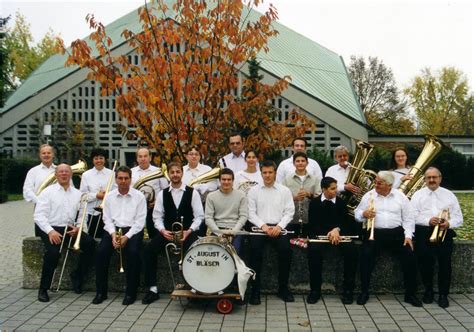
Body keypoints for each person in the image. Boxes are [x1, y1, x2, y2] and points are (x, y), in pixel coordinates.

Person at [354, 171, 421, 307]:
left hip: (396, 233)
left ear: (389, 185)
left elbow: (408, 218)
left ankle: (410, 294)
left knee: (410, 256)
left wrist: (408, 236)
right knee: (366, 257)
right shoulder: (369, 195)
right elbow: (357, 213)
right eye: (376, 181)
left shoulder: (400, 197)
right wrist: (364, 213)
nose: (376, 184)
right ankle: (364, 292)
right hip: (375, 232)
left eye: (379, 183)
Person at [142, 161, 204, 304]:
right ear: (168, 175)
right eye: (172, 172)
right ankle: (152, 289)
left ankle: (195, 288)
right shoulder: (162, 194)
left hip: (187, 232)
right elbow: (157, 217)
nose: (175, 175)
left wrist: (189, 231)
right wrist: (163, 231)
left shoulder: (192, 192)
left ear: (182, 173)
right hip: (168, 233)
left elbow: (199, 216)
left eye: (178, 172)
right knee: (148, 250)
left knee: (196, 252)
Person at [35, 164, 95, 302]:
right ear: (56, 175)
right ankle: (43, 288)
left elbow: (82, 215)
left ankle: (78, 276)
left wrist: (78, 229)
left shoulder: (78, 194)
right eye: (61, 172)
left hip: (69, 229)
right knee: (53, 253)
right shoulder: (47, 192)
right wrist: (50, 231)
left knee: (91, 245)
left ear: (70, 174)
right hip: (50, 227)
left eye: (66, 172)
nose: (64, 174)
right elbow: (39, 216)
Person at [92, 166, 146, 306]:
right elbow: (107, 219)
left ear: (130, 179)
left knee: (133, 253)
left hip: (132, 230)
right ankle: (101, 292)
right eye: (120, 178)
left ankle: (131, 293)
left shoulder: (139, 196)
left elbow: (140, 222)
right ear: (116, 179)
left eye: (126, 178)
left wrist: (126, 237)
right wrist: (112, 234)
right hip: (113, 230)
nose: (123, 181)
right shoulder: (109, 196)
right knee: (101, 252)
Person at [411, 167, 463, 308]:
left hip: (444, 232)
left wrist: (449, 223)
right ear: (425, 179)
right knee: (425, 263)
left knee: (445, 265)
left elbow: (459, 218)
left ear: (440, 178)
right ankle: (428, 291)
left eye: (435, 177)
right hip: (424, 232)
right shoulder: (418, 195)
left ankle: (443, 295)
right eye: (429, 178)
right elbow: (412, 216)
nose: (432, 180)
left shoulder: (449, 195)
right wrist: (428, 220)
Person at [247, 160, 295, 305]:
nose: (267, 175)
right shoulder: (253, 191)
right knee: (254, 252)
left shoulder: (284, 190)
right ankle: (255, 291)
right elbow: (250, 213)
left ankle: (283, 288)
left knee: (286, 251)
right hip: (260, 228)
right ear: (261, 173)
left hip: (278, 228)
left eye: (270, 172)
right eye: (264, 172)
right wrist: (263, 226)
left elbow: (289, 212)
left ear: (275, 173)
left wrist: (279, 227)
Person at [305, 177, 357, 304]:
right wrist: (328, 233)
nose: (336, 191)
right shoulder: (315, 203)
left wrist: (337, 230)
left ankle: (348, 291)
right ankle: (315, 290)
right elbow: (313, 224)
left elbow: (345, 222)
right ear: (324, 189)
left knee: (352, 251)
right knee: (314, 253)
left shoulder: (341, 202)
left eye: (336, 188)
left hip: (339, 235)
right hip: (321, 236)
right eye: (332, 188)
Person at [205, 168, 248, 253]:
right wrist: (219, 233)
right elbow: (208, 218)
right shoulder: (211, 196)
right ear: (219, 180)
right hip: (217, 230)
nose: (226, 182)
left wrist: (233, 232)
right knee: (215, 254)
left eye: (229, 179)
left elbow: (243, 216)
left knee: (235, 252)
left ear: (233, 181)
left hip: (235, 230)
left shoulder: (241, 195)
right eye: (224, 179)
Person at [131, 147, 168, 238]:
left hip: (153, 208)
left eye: (145, 156)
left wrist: (157, 202)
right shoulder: (131, 172)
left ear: (150, 158)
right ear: (137, 158)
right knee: (136, 234)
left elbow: (165, 190)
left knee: (154, 234)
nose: (143, 159)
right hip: (136, 208)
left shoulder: (159, 171)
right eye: (140, 156)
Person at [79, 148, 115, 238]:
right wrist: (96, 195)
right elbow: (83, 196)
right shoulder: (86, 175)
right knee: (91, 238)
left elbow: (115, 193)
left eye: (101, 158)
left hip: (108, 213)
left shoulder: (112, 174)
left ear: (105, 159)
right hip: (91, 213)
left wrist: (107, 195)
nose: (98, 161)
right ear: (92, 160)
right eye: (96, 158)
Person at [282, 152, 320, 235]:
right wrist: (295, 198)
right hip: (292, 217)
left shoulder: (314, 179)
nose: (300, 163)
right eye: (297, 161)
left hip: (310, 216)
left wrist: (309, 194)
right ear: (294, 163)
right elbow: (281, 198)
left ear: (307, 163)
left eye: (303, 161)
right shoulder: (287, 179)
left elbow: (320, 197)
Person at [23, 144, 56, 235]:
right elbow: (27, 190)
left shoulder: (60, 170)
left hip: (58, 206)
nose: (46, 155)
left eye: (49, 153)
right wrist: (39, 201)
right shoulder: (33, 171)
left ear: (53, 154)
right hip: (40, 206)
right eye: (43, 153)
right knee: (40, 235)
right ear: (40, 155)